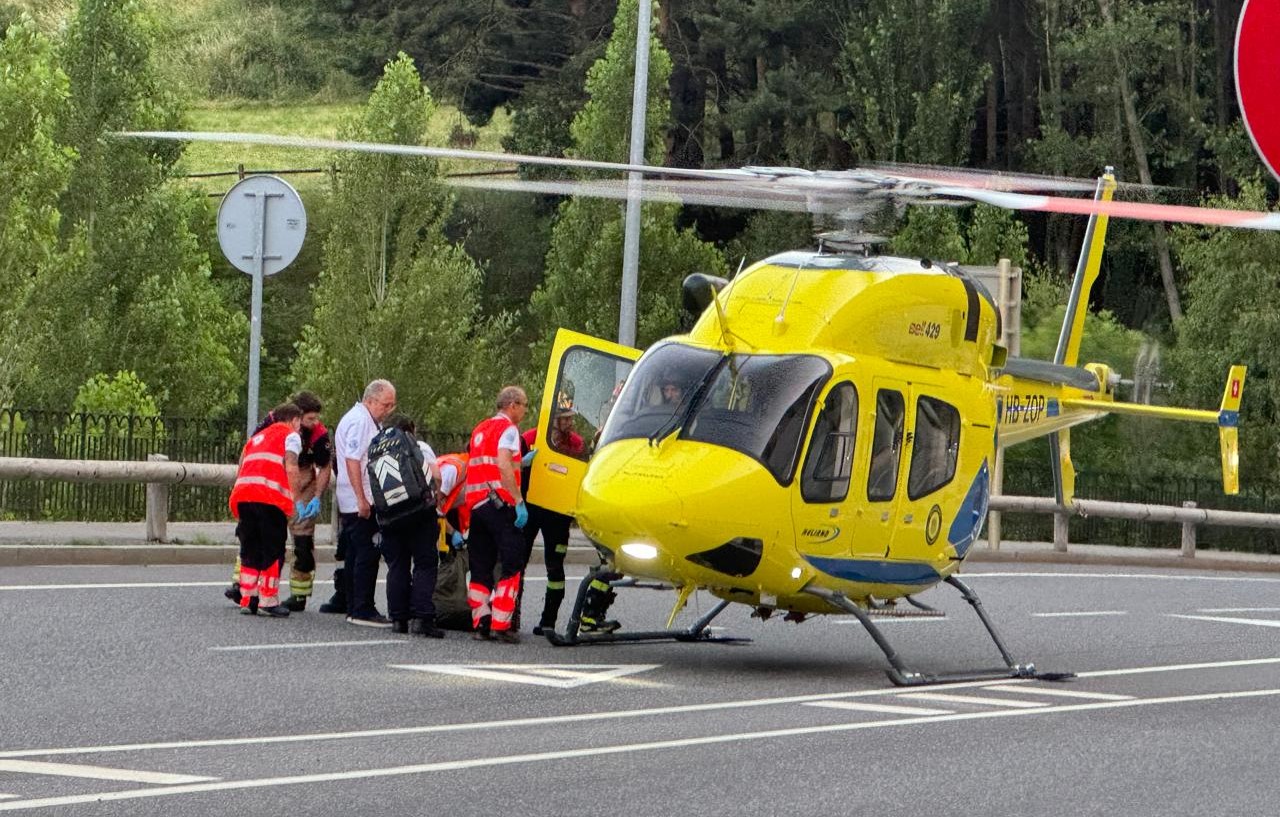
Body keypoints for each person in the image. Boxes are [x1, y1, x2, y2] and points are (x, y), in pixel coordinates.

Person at [224, 392, 331, 611]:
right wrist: (293, 499)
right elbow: (257, 451)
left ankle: (297, 594)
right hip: (273, 481)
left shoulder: (318, 435)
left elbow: (324, 466)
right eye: (310, 419)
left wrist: (315, 497)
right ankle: (248, 589)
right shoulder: (276, 423)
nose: (315, 423)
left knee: (301, 541)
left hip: (296, 480)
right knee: (263, 541)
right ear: (296, 417)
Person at [463, 385, 530, 644]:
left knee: (480, 567)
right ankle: (501, 624)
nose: (525, 410)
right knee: (513, 562)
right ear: (512, 405)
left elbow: (483, 463)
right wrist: (518, 500)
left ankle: (481, 622)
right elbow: (502, 463)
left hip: (477, 505)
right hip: (500, 504)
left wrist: (520, 462)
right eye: (524, 405)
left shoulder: (480, 428)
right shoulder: (509, 430)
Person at [371, 415, 444, 638]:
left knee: (397, 566)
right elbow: (437, 476)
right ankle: (422, 618)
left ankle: (398, 619)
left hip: (389, 516)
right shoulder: (418, 445)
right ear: (411, 430)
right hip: (418, 513)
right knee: (424, 564)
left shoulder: (377, 448)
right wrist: (435, 498)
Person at [334, 379, 398, 628]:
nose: (389, 410)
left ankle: (354, 606)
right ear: (370, 400)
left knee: (354, 553)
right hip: (359, 499)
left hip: (355, 497)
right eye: (386, 404)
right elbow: (353, 460)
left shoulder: (364, 419)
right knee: (367, 553)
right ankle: (362, 607)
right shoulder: (360, 421)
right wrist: (362, 498)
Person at [520, 406, 583, 636]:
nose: (568, 423)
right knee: (518, 563)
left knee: (555, 567)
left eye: (570, 419)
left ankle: (548, 621)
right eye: (563, 419)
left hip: (558, 515)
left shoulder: (575, 443)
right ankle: (510, 616)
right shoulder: (530, 438)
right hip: (531, 508)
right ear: (552, 420)